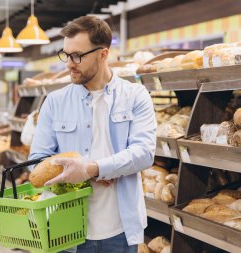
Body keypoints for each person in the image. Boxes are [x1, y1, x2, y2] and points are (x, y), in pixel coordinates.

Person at [29, 16, 156, 253]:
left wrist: (93, 168)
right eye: (66, 55)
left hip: (120, 229)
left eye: (77, 56)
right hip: (65, 229)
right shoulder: (55, 102)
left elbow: (144, 153)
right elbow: (36, 164)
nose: (69, 63)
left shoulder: (136, 96)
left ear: (103, 54)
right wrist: (81, 174)